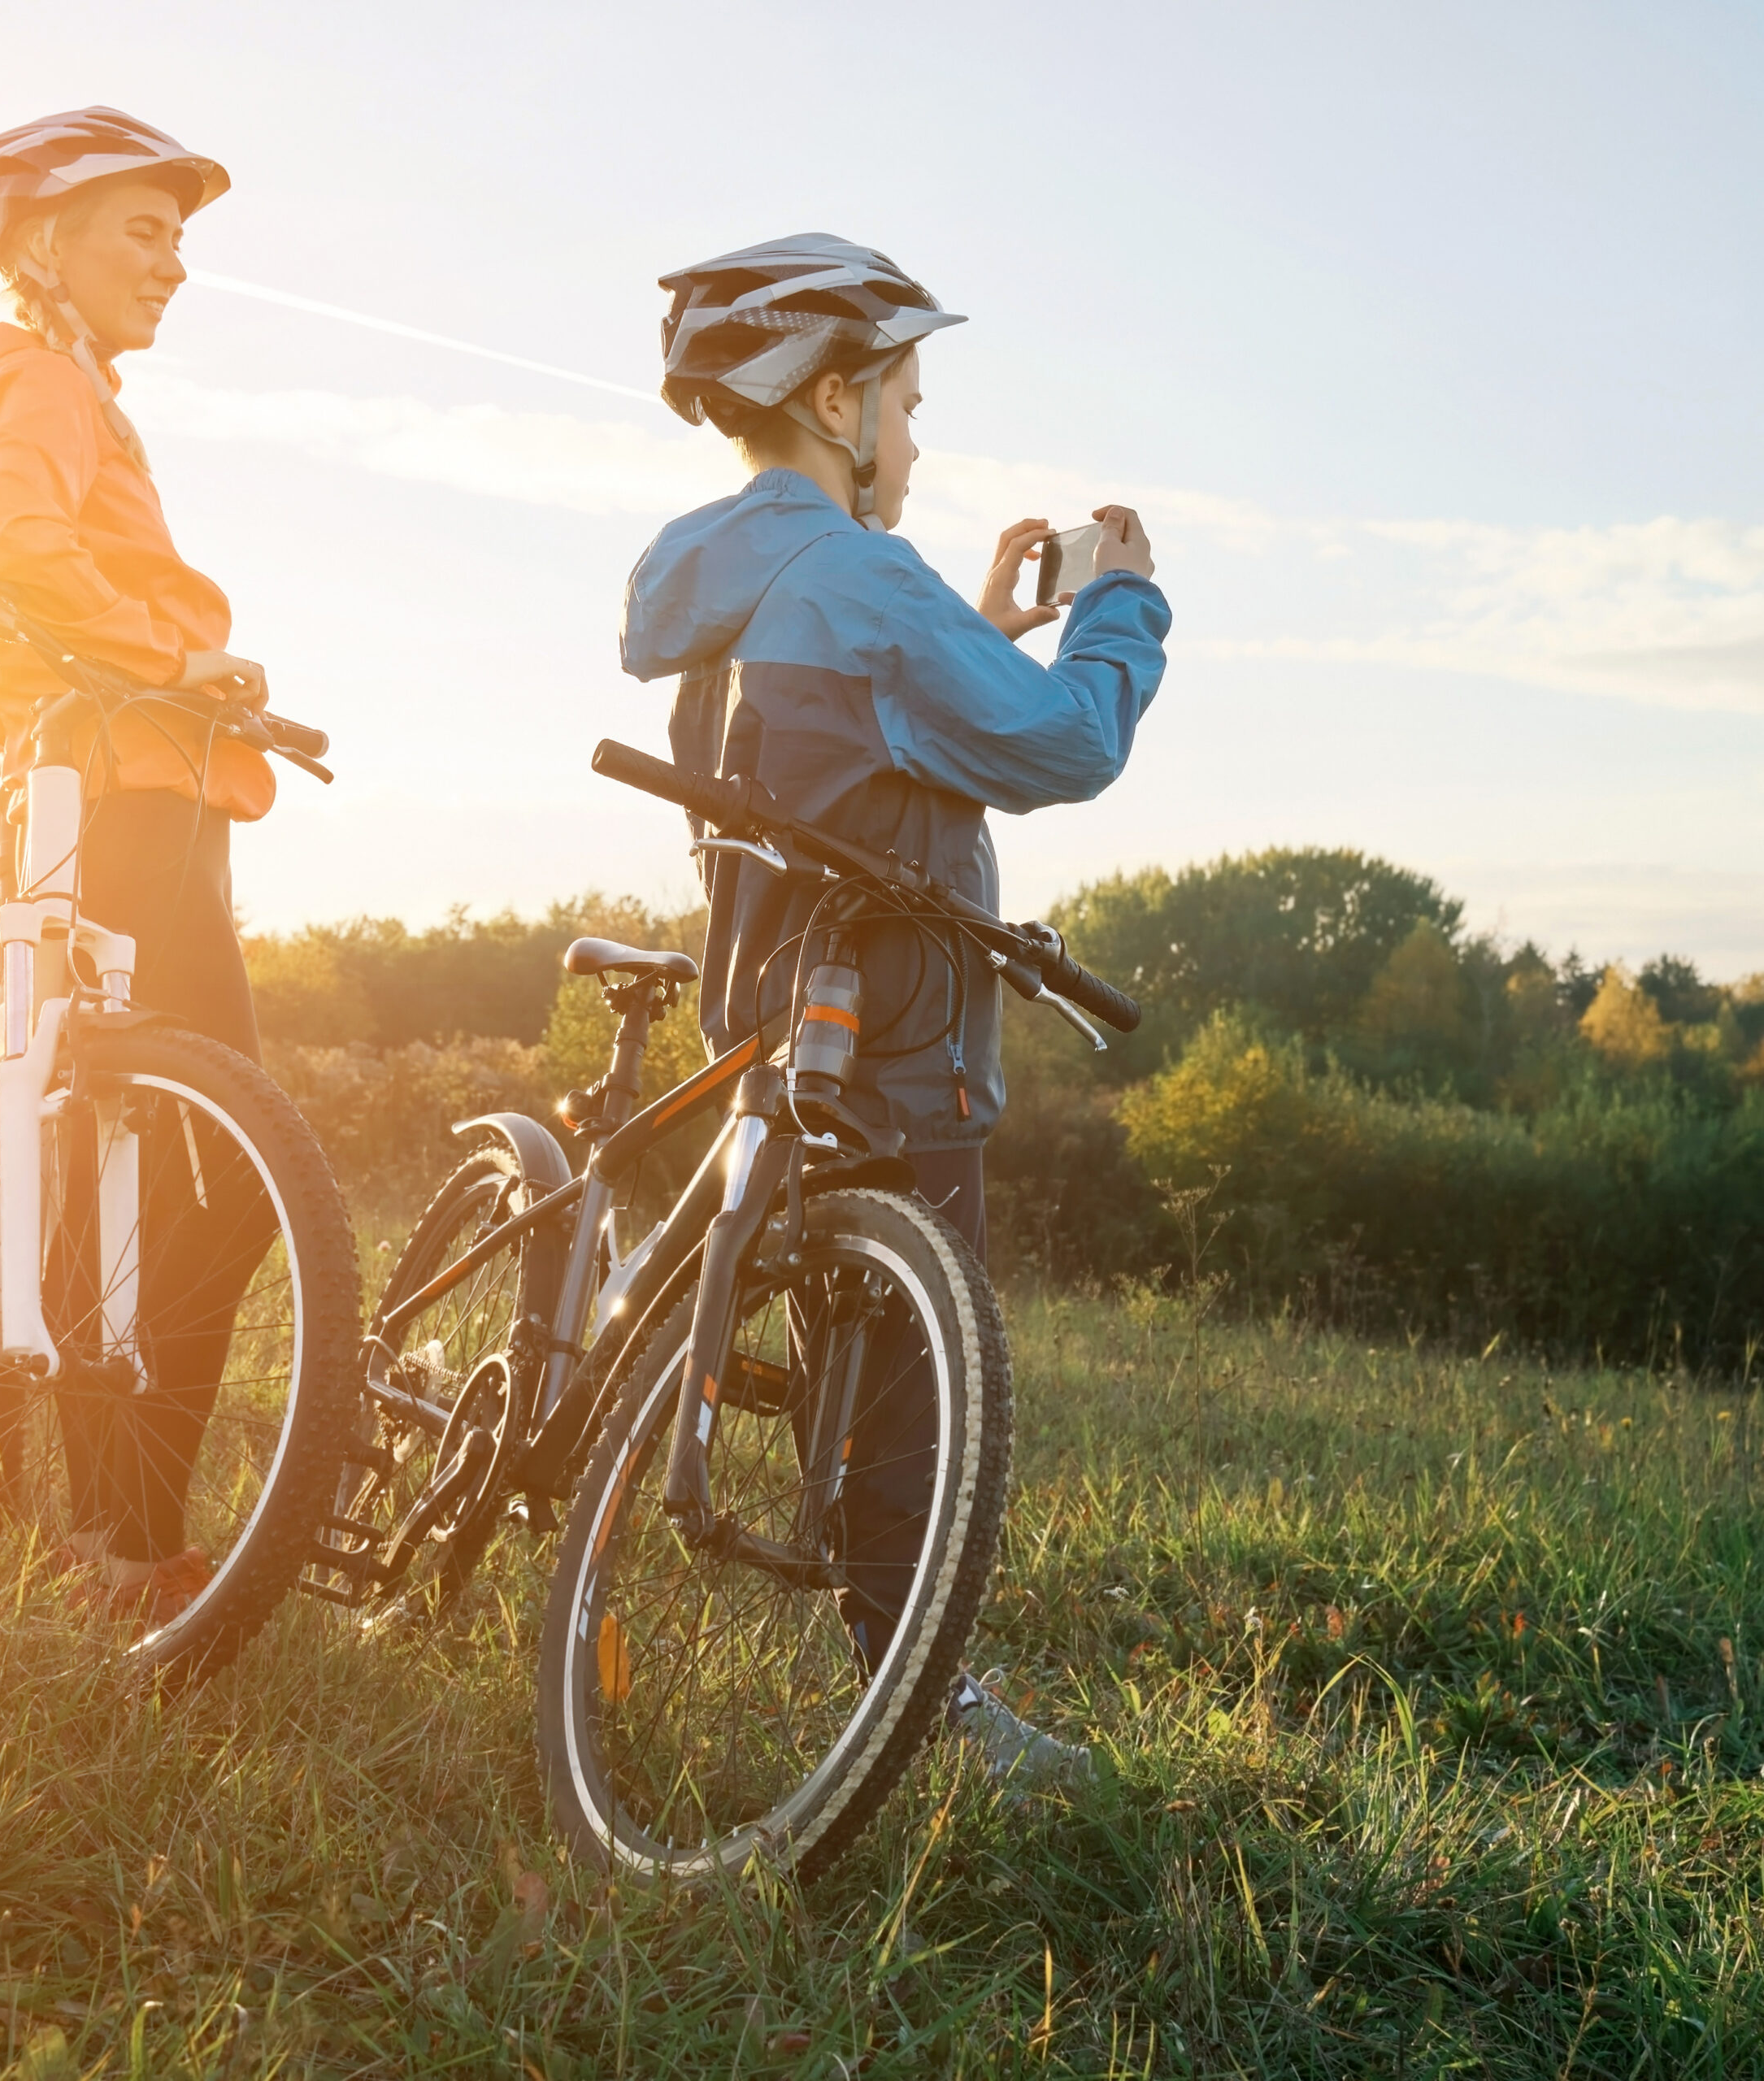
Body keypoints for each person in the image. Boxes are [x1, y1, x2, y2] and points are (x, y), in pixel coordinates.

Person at [621, 233, 1171, 1788]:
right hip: (897, 1024)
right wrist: (1121, 610)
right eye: (910, 404)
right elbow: (1066, 749)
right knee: (926, 1384)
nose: (918, 441)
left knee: (845, 1357)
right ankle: (924, 1707)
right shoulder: (864, 574)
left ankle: (886, 1677)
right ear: (839, 397)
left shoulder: (721, 570)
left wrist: (973, 630)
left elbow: (859, 735)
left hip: (778, 1010)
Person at [0, 108, 276, 1623]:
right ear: (44, 243)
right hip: (122, 797)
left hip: (121, 788)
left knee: (126, 1162)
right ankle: (128, 1541)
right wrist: (182, 662)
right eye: (142, 231)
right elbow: (7, 550)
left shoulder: (66, 389)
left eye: (179, 238)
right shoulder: (31, 378)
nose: (174, 264)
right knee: (228, 1168)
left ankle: (109, 1539)